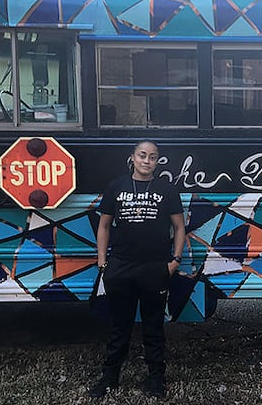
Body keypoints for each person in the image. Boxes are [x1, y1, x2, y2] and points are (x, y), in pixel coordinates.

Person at [90, 140, 186, 398]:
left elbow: (179, 227)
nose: (147, 161)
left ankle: (156, 379)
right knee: (119, 326)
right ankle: (110, 377)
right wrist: (103, 262)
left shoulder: (166, 190)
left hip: (155, 268)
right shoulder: (116, 187)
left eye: (152, 157)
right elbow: (104, 226)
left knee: (153, 326)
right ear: (132, 157)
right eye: (142, 155)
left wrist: (174, 261)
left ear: (158, 161)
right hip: (120, 267)